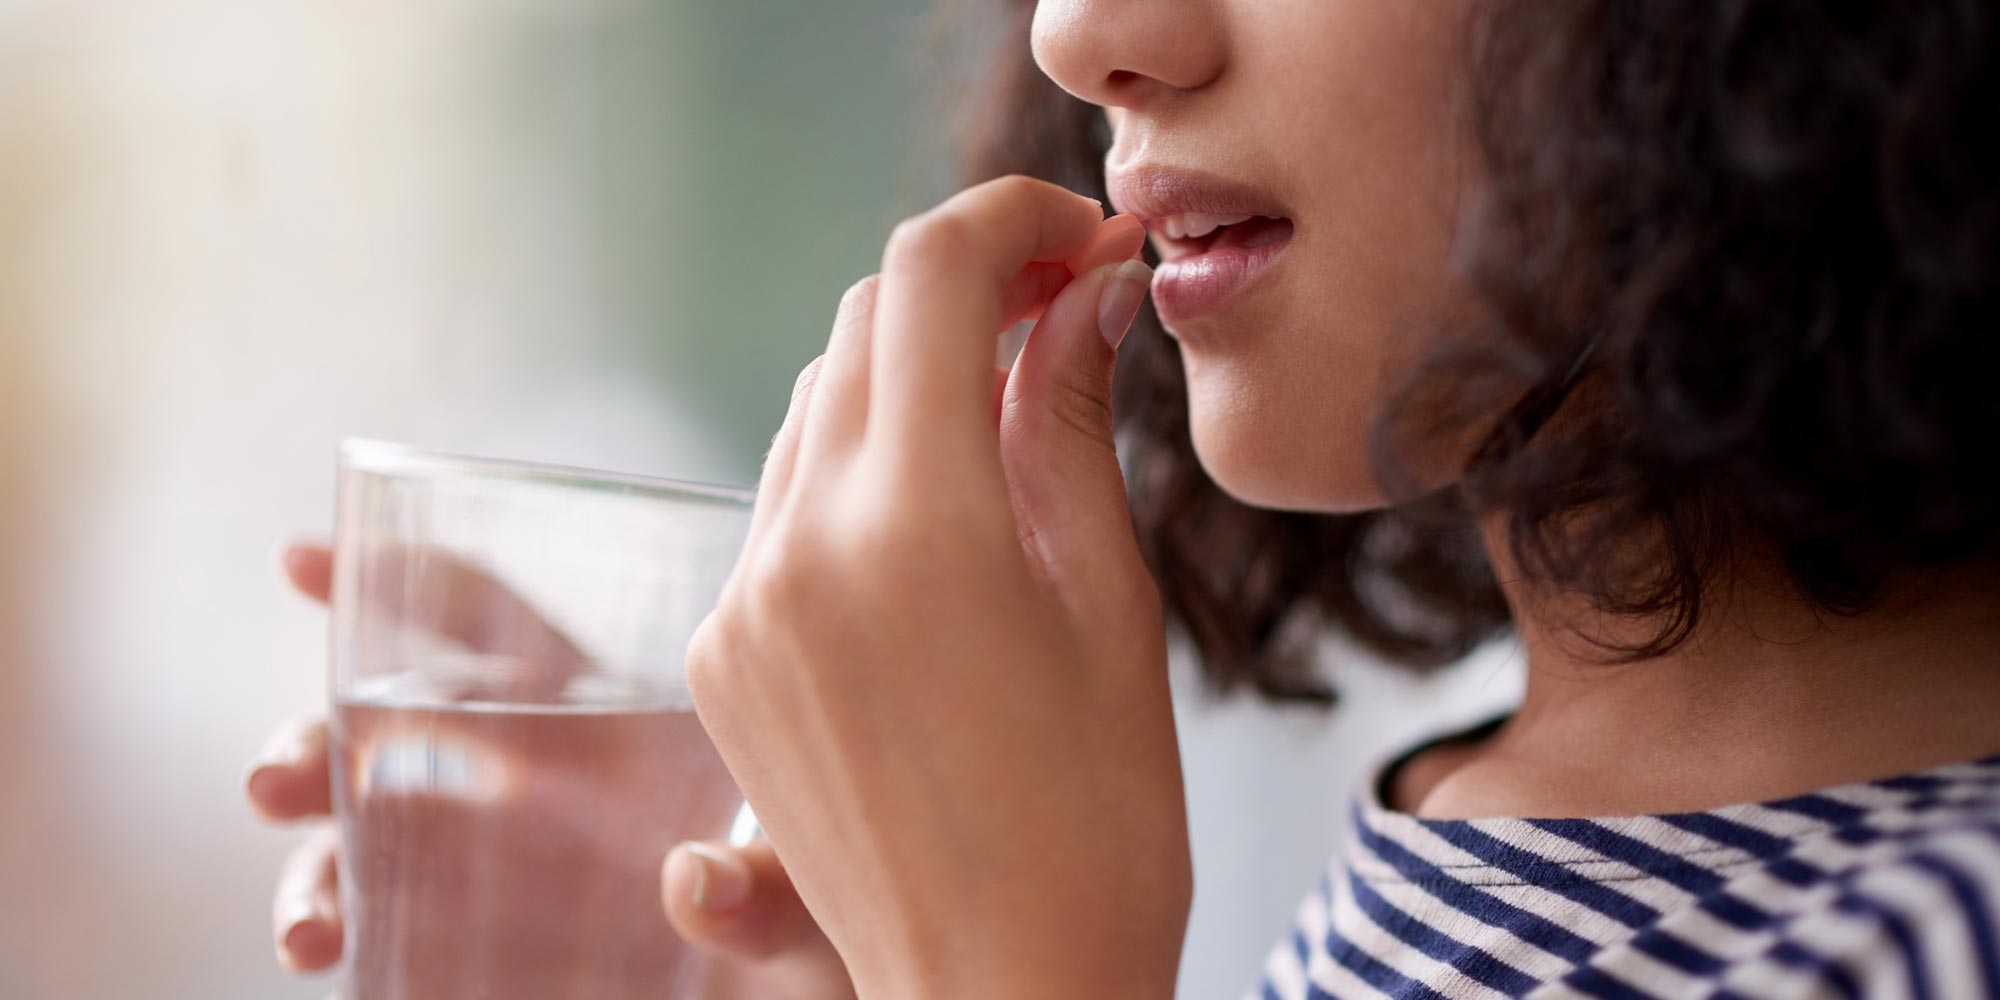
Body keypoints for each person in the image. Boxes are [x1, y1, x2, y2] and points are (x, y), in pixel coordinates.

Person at [246, 1, 2000, 997]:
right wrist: (845, 938)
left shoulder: (1931, 941)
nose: (1084, 32)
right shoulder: (1492, 837)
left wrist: (1004, 973)